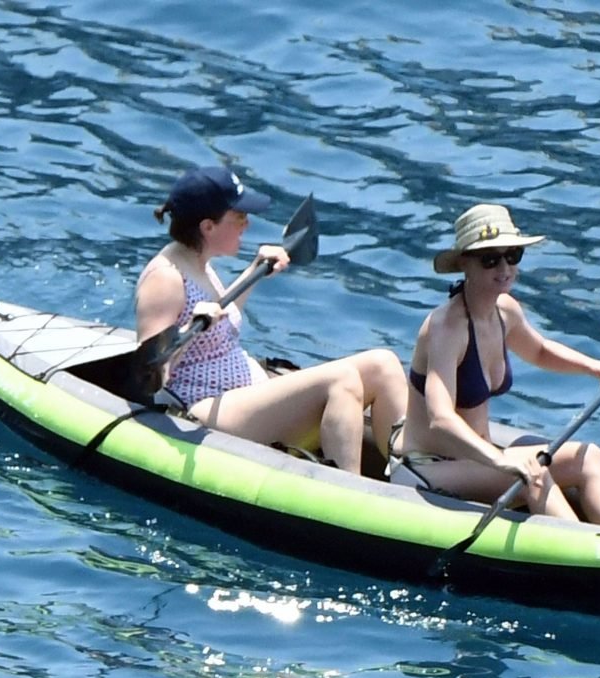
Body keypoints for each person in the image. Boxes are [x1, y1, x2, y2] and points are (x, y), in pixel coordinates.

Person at [135, 165, 407, 474]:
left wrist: (255, 271)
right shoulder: (165, 278)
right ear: (208, 227)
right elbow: (148, 375)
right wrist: (189, 329)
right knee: (341, 379)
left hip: (241, 392)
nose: (247, 224)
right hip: (201, 405)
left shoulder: (198, 261)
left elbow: (220, 324)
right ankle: (349, 489)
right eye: (239, 217)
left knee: (382, 364)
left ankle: (413, 474)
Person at [391, 203, 600, 526]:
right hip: (429, 468)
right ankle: (584, 549)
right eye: (490, 259)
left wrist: (598, 368)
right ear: (464, 263)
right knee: (533, 474)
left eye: (512, 256)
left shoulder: (505, 311)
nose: (504, 268)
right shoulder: (446, 328)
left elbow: (540, 351)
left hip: (475, 459)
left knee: (588, 456)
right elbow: (441, 418)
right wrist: (500, 461)